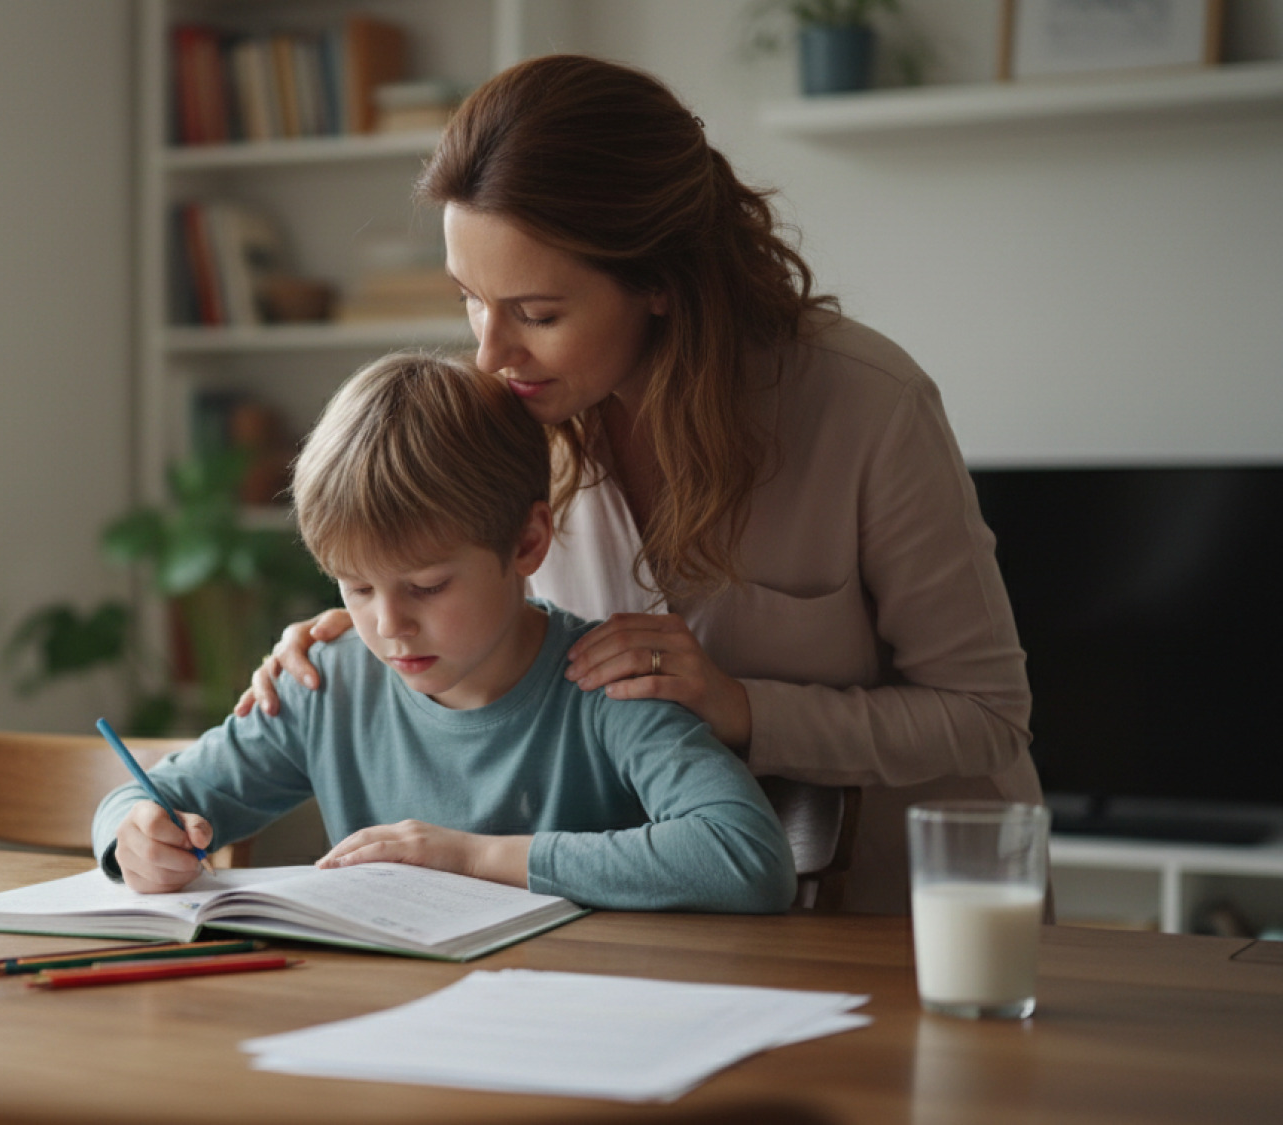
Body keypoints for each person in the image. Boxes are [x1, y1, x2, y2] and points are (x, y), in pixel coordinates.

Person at [235, 55, 1039, 916]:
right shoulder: (513, 414)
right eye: (472, 299)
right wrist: (375, 619)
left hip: (911, 920)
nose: (490, 353)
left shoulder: (868, 407)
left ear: (662, 280)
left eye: (539, 314)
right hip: (642, 934)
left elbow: (985, 714)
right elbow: (507, 640)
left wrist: (740, 706)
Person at [94, 352, 797, 915]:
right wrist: (133, 834)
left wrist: (471, 857)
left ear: (527, 541)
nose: (388, 624)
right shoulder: (326, 682)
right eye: (357, 587)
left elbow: (745, 856)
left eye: (427, 586)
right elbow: (145, 796)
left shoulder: (605, 685)